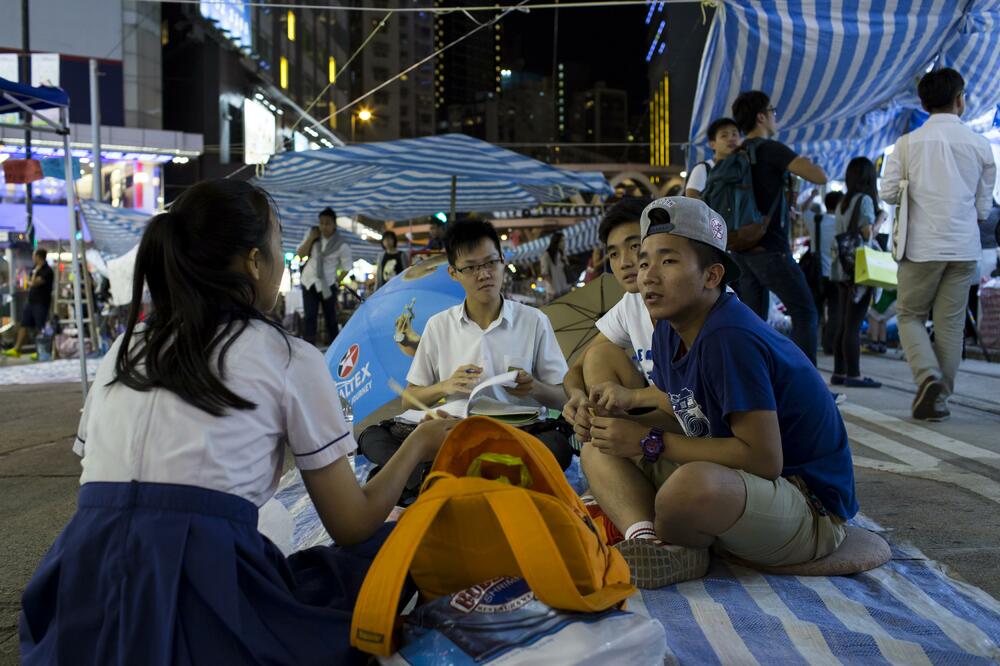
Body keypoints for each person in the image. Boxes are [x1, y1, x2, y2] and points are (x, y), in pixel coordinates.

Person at [19, 179, 458, 665]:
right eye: (276, 243)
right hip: (203, 594)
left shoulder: (123, 351)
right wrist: (419, 442)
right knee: (396, 546)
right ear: (254, 261)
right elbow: (351, 523)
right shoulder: (285, 354)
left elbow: (112, 495)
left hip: (80, 595)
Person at [580, 197, 857, 589]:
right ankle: (649, 540)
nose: (647, 275)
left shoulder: (729, 336)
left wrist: (647, 441)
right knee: (598, 446)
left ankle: (683, 539)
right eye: (644, 262)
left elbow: (764, 459)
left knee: (689, 488)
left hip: (808, 505)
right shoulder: (667, 329)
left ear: (711, 276)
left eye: (668, 261)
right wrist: (619, 417)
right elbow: (684, 411)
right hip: (740, 479)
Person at [404, 220, 574, 468]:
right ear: (453, 273)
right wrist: (445, 386)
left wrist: (534, 388)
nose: (484, 275)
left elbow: (563, 398)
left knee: (557, 447)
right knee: (380, 441)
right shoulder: (438, 326)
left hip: (522, 434)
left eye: (490, 263)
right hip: (458, 433)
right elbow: (409, 399)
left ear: (502, 260)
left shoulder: (534, 321)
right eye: (471, 268)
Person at [881, 68, 997, 421]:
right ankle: (939, 399)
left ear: (923, 103)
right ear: (960, 100)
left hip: (921, 247)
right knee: (950, 325)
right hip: (964, 247)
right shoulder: (980, 146)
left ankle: (928, 378)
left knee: (910, 315)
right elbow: (982, 207)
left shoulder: (906, 144)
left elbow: (887, 192)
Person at [728, 90, 829, 365]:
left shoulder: (736, 154)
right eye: (772, 112)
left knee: (753, 323)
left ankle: (754, 380)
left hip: (740, 251)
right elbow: (819, 177)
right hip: (770, 249)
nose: (775, 117)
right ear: (761, 116)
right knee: (805, 312)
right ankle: (807, 388)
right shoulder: (770, 149)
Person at [562, 197, 660, 439]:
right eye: (614, 254)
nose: (624, 262)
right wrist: (577, 396)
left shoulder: (693, 299)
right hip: (658, 420)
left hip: (700, 426)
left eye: (634, 246)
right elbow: (576, 367)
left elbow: (695, 394)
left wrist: (634, 397)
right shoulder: (632, 303)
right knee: (599, 356)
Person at [828, 158, 883, 388]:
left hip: (841, 267)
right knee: (854, 323)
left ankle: (839, 372)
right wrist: (881, 219)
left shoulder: (842, 202)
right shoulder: (866, 200)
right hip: (859, 269)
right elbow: (867, 234)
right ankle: (854, 374)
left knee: (843, 321)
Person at [296, 207, 353, 346]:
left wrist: (336, 282)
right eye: (321, 223)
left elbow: (347, 267)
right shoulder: (313, 234)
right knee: (310, 317)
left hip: (328, 285)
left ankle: (335, 349)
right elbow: (301, 254)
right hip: (309, 281)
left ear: (334, 224)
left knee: (331, 319)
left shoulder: (342, 244)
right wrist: (311, 238)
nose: (324, 226)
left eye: (327, 223)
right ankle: (308, 348)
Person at [809, 192, 843, 355]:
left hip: (815, 274)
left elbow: (802, 209)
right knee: (836, 311)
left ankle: (811, 345)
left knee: (813, 311)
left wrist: (812, 196)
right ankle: (830, 346)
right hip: (836, 274)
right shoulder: (841, 223)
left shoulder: (815, 220)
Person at [4, 249, 54, 360]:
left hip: (41, 303)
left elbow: (35, 283)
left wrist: (33, 277)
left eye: (34, 256)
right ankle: (17, 349)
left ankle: (40, 350)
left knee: (40, 327)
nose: (32, 258)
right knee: (24, 324)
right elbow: (30, 283)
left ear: (38, 257)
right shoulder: (34, 269)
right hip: (31, 301)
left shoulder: (47, 271)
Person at [684, 117, 741, 199]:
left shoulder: (743, 167)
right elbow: (692, 200)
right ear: (712, 144)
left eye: (734, 134)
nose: (731, 139)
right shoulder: (703, 169)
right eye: (724, 135)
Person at [540, 231, 569, 300]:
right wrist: (554, 289)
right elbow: (545, 274)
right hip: (554, 293)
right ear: (556, 242)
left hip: (565, 289)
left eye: (564, 241)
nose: (564, 243)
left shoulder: (562, 254)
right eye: (562, 241)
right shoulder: (546, 256)